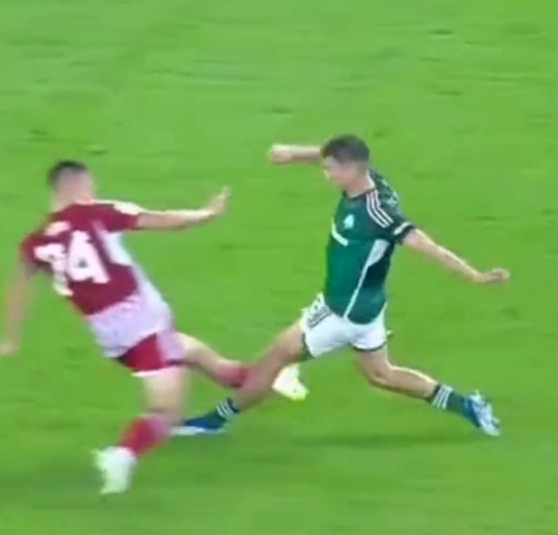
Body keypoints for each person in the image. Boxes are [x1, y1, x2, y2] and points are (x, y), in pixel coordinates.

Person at [0, 160, 305, 494]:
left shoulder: (37, 242)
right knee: (167, 413)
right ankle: (122, 455)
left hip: (109, 335)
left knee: (202, 358)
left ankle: (275, 376)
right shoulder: (97, 213)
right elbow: (162, 220)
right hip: (144, 323)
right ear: (79, 185)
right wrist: (205, 214)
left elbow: (19, 285)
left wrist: (10, 337)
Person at [179, 135, 508, 436]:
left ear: (352, 169)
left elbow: (429, 247)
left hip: (341, 313)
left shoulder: (378, 213)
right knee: (381, 375)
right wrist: (294, 154)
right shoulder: (369, 180)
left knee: (276, 356)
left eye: (332, 170)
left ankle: (214, 421)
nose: (327, 175)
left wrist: (476, 276)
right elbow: (330, 154)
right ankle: (468, 406)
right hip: (368, 308)